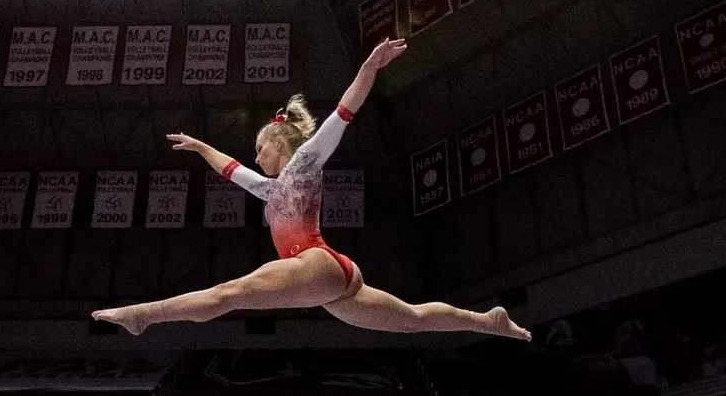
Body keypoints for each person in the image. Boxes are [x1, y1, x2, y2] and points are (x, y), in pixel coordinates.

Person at [93, 40, 529, 341]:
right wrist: (200, 145)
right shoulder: (269, 188)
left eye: (259, 148)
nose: (256, 157)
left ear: (279, 144)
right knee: (412, 320)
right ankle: (485, 321)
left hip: (315, 264)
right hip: (333, 280)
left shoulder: (304, 161)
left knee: (229, 294)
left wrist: (369, 67)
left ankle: (144, 315)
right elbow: (230, 169)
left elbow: (343, 113)